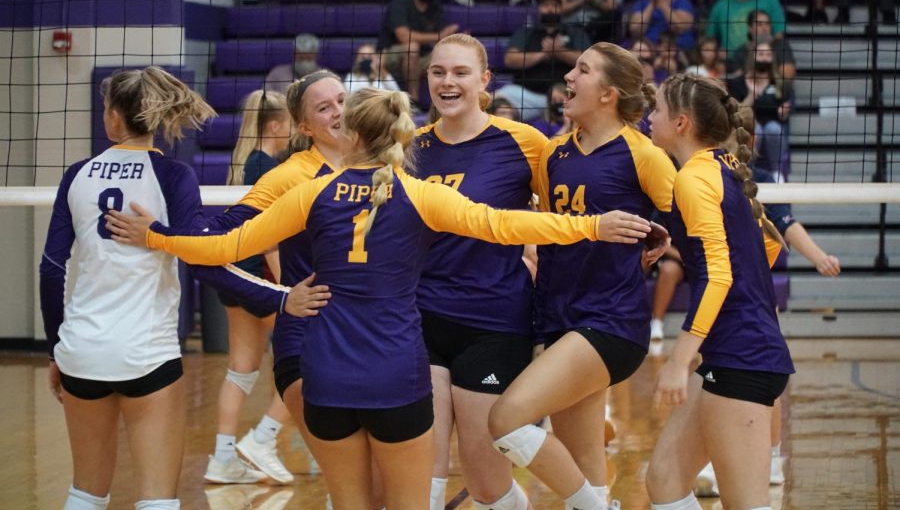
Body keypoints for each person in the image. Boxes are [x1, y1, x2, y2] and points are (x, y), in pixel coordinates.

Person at [108, 88, 653, 510]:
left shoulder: (311, 190)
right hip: (396, 370)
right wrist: (592, 226)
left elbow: (225, 246)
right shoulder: (421, 195)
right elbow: (507, 225)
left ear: (348, 134)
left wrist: (155, 235)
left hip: (327, 372)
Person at [106, 70, 348, 479]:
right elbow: (228, 235)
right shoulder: (287, 175)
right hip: (302, 316)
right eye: (325, 107)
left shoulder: (384, 162)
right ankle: (261, 439)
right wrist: (159, 236)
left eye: (343, 99)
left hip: (362, 331)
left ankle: (238, 450)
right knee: (346, 472)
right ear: (301, 126)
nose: (340, 111)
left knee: (244, 368)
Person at [487, 42, 676, 510]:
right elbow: (549, 228)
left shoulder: (643, 154)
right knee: (586, 461)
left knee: (507, 419)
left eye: (582, 70)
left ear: (609, 93)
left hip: (610, 320)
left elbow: (695, 218)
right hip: (559, 318)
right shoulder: (554, 153)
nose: (569, 76)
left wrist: (667, 236)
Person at [39, 66, 217, 510]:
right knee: (157, 498)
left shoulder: (77, 174)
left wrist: (54, 349)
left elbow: (49, 270)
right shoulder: (175, 176)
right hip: (147, 351)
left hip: (82, 348)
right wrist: (156, 231)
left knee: (85, 492)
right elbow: (199, 250)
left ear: (114, 117)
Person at [644, 72, 795, 510]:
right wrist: (675, 237)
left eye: (657, 109)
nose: (650, 117)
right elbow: (766, 245)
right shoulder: (724, 168)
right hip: (738, 349)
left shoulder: (694, 177)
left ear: (681, 123)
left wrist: (676, 362)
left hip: (744, 356)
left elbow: (719, 276)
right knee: (665, 480)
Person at [414, 33, 548, 510]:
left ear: (484, 81)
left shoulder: (525, 143)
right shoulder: (410, 149)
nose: (447, 82)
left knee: (486, 481)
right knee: (419, 467)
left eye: (460, 72)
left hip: (494, 321)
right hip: (420, 317)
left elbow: (561, 215)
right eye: (438, 72)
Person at [692, 102, 841, 498]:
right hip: (718, 291)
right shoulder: (701, 175)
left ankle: (769, 456)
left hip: (750, 293)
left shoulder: (756, 180)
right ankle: (720, 454)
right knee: (707, 372)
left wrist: (818, 257)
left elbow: (787, 226)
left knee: (756, 380)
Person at [204, 90, 295, 485]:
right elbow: (270, 238)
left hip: (234, 275)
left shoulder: (245, 162)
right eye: (290, 122)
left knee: (242, 371)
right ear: (275, 125)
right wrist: (289, 286)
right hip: (260, 277)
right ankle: (263, 438)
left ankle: (223, 459)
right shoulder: (264, 168)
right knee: (309, 362)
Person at [498, 0, 592, 123]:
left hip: (566, 94)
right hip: (527, 94)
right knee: (495, 102)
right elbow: (510, 59)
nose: (550, 9)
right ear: (539, 9)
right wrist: (543, 55)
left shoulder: (575, 32)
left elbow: (587, 61)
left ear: (561, 9)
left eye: (554, 5)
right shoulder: (527, 32)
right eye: (545, 5)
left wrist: (558, 51)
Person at [377, 0, 459, 102]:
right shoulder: (400, 4)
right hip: (389, 57)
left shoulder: (436, 8)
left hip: (419, 61)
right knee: (412, 47)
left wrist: (454, 39)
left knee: (450, 52)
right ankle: (413, 100)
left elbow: (442, 40)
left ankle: (446, 100)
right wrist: (438, 36)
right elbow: (403, 36)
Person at [726, 40, 791, 178]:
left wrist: (784, 112)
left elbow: (784, 114)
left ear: (772, 58)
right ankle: (750, 169)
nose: (764, 58)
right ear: (753, 57)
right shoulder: (739, 82)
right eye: (761, 54)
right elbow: (736, 113)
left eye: (768, 54)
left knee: (773, 129)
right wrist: (751, 96)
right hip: (749, 124)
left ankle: (777, 172)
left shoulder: (779, 82)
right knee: (757, 131)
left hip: (773, 124)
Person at [727, 10, 797, 82]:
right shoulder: (741, 51)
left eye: (767, 24)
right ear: (750, 28)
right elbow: (738, 80)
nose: (764, 28)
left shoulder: (781, 45)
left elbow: (788, 75)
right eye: (759, 24)